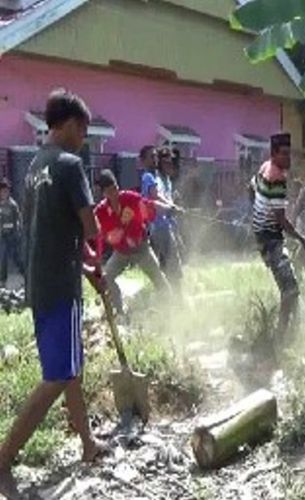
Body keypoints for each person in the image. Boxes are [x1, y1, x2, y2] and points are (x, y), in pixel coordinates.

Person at [0, 89, 107, 499]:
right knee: (57, 377)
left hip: (41, 283)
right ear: (65, 126)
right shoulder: (68, 164)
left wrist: (84, 266)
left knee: (71, 367)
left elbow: (46, 233)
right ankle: (4, 457)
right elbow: (91, 228)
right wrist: (93, 255)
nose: (84, 138)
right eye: (82, 129)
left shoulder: (32, 167)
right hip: (62, 289)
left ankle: (87, 444)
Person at [251, 132, 305, 344]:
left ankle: (290, 334)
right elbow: (281, 221)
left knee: (291, 287)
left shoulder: (264, 168)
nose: (288, 159)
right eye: (284, 154)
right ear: (274, 154)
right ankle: (281, 338)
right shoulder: (276, 177)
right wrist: (303, 240)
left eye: (289, 154)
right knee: (291, 290)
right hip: (271, 240)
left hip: (264, 236)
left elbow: (250, 189)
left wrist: (257, 213)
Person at [94, 169, 174, 315]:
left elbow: (150, 204)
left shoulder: (129, 198)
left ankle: (172, 308)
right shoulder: (101, 211)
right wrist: (98, 257)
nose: (114, 193)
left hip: (141, 249)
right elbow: (98, 235)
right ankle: (120, 312)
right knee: (108, 277)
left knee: (158, 278)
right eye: (110, 191)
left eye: (115, 188)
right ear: (104, 193)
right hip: (121, 252)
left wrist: (168, 208)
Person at [142, 148, 183, 290]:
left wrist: (173, 204)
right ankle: (176, 294)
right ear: (143, 161)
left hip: (165, 224)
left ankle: (167, 292)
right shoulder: (148, 177)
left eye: (155, 157)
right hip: (158, 225)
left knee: (165, 262)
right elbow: (155, 196)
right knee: (172, 262)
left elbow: (163, 196)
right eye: (151, 157)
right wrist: (172, 206)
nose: (154, 160)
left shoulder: (158, 177)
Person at [0, 178, 24, 288]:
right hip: (2, 235)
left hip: (12, 235)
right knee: (2, 257)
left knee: (16, 257)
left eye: (5, 191)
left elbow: (18, 219)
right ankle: (2, 280)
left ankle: (25, 276)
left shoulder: (12, 204)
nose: (4, 193)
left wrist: (18, 229)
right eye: (2, 191)